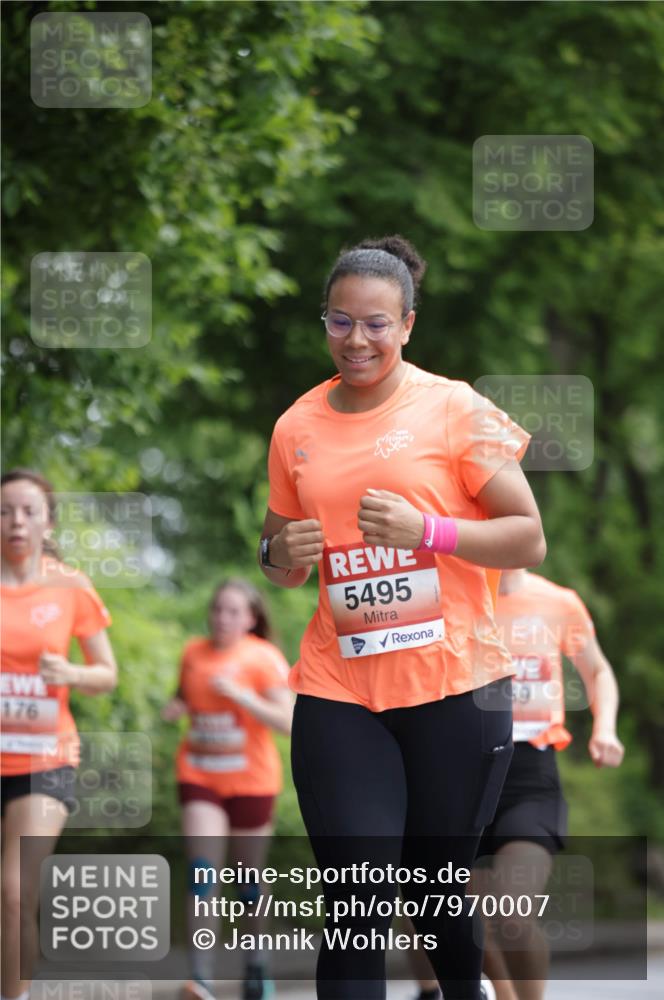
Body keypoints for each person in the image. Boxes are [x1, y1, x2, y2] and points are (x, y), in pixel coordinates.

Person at [258, 235, 546, 1000]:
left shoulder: (455, 408)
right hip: (338, 689)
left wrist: (428, 531)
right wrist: (276, 550)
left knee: (435, 896)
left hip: (455, 687)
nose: (356, 340)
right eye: (340, 321)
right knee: (356, 897)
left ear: (407, 324)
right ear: (324, 322)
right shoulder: (295, 427)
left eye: (376, 324)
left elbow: (528, 535)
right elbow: (282, 563)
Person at [411, 567, 624, 1000]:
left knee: (509, 908)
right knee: (457, 913)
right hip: (461, 770)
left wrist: (605, 728)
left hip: (530, 775)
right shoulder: (449, 596)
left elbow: (597, 671)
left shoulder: (558, 602)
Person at [0, 468, 117, 1000]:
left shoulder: (70, 585)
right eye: (4, 511)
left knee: (14, 892)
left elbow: (106, 673)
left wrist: (71, 674)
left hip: (44, 758)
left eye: (27, 510)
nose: (15, 521)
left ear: (47, 522)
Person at [162, 578, 293, 1000]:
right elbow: (185, 693)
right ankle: (200, 977)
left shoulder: (263, 658)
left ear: (251, 618)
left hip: (252, 781)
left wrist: (243, 696)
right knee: (203, 874)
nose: (222, 618)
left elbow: (290, 723)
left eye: (233, 611)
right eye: (218, 609)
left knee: (248, 880)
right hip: (200, 776)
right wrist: (177, 706)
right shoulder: (193, 653)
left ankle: (256, 966)